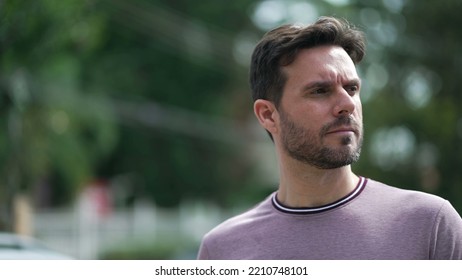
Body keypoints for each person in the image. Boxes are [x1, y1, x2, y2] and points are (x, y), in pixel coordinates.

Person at [197, 16, 462, 260]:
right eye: (320, 91)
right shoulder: (222, 249)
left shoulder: (430, 226)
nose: (347, 104)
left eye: (352, 88)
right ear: (268, 115)